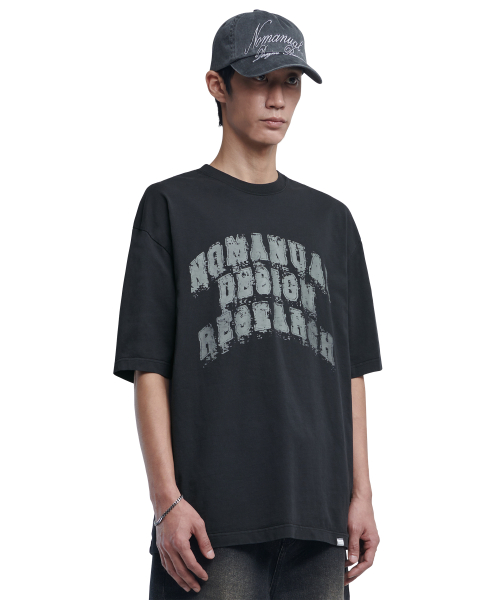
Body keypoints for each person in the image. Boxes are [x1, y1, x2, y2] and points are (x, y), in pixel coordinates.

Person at [113, 9, 382, 600]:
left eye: (291, 81)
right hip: (211, 527)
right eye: (260, 80)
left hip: (319, 523)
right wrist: (166, 503)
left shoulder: (332, 221)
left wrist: (361, 494)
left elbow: (352, 371)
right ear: (218, 85)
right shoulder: (170, 207)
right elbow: (148, 366)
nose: (277, 99)